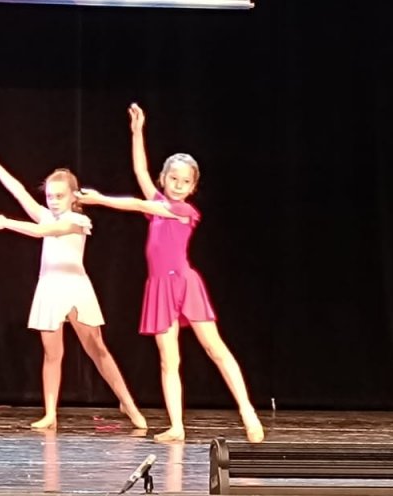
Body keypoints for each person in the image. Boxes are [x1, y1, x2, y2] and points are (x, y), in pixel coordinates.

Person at [78, 104, 264, 443]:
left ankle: (247, 411)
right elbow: (140, 171)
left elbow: (141, 204)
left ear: (193, 187)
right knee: (168, 359)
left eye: (185, 181)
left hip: (184, 284)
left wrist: (101, 199)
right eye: (173, 179)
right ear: (164, 180)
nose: (178, 185)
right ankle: (176, 425)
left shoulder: (182, 210)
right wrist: (137, 132)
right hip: (159, 288)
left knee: (215, 348)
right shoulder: (160, 204)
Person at [0, 145, 147, 431]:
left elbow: (43, 232)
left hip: (75, 287)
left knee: (97, 349)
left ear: (73, 196)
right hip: (50, 288)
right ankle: (50, 413)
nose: (53, 202)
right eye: (49, 197)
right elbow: (19, 191)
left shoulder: (78, 221)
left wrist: (6, 223)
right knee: (52, 354)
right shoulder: (47, 215)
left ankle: (128, 404)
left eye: (59, 196)